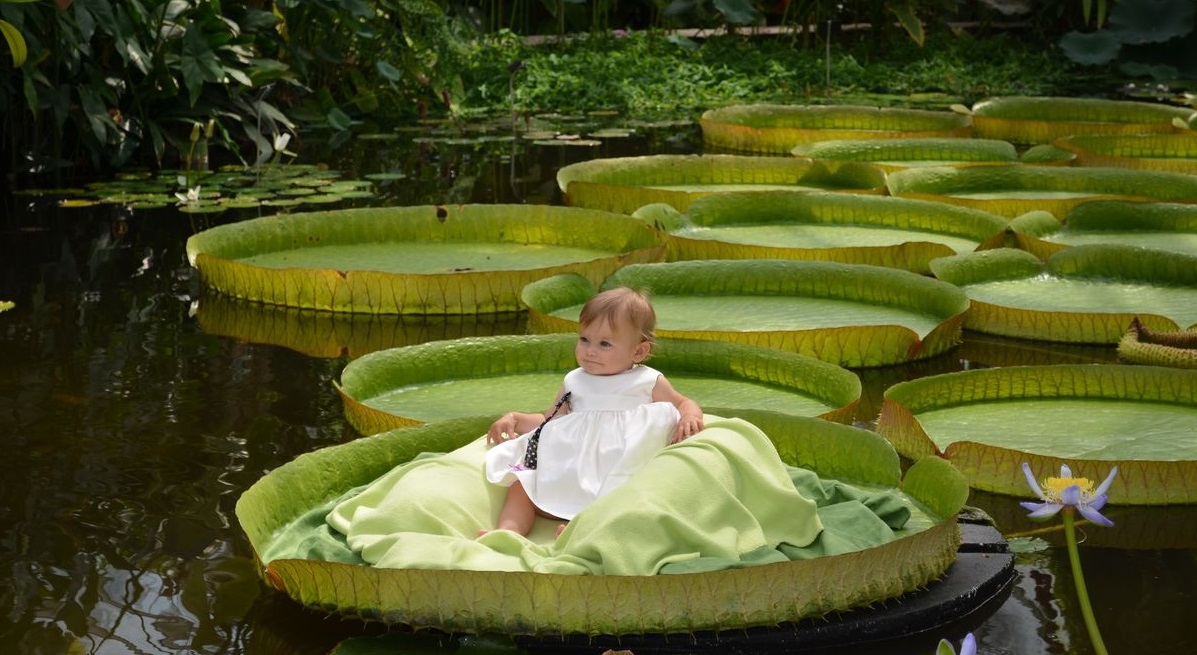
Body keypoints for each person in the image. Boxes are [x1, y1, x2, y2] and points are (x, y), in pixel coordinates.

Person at [482, 287, 704, 537]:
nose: (590, 350)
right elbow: (551, 422)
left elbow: (683, 402)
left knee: (625, 494)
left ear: (639, 351)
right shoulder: (574, 381)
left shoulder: (647, 381)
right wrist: (515, 418)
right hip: (575, 466)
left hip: (618, 467)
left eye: (605, 344)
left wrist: (689, 416)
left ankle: (582, 530)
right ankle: (507, 533)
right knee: (522, 484)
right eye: (584, 339)